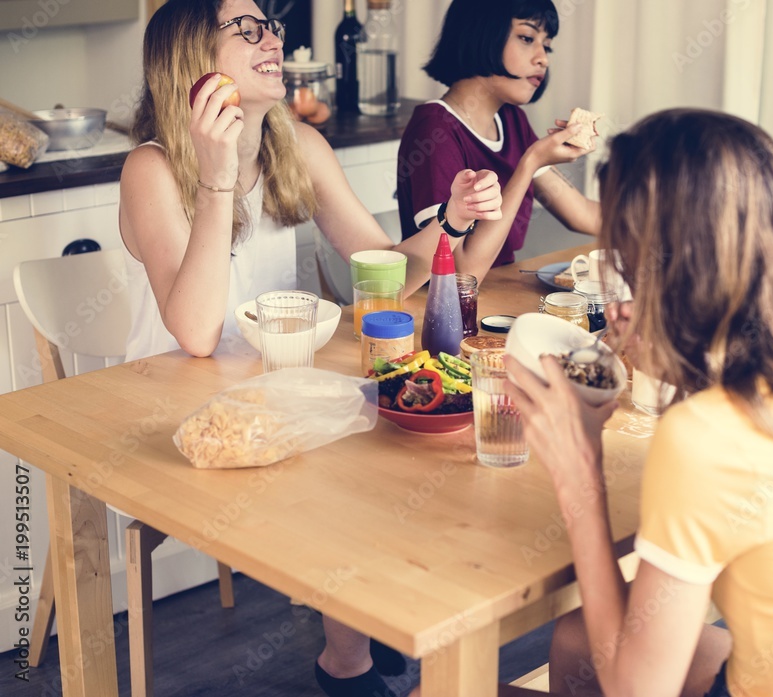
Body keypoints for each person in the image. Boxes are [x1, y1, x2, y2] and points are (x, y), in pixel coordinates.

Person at [496, 109, 773, 696]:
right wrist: (675, 350)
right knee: (579, 638)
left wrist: (579, 471)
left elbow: (638, 688)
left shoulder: (706, 437)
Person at [118, 1, 501, 695]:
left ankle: (371, 615)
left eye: (273, 24)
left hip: (269, 386)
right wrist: (216, 173)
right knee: (351, 454)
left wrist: (449, 218)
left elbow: (385, 266)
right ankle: (347, 655)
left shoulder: (298, 146)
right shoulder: (150, 169)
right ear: (190, 58)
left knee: (406, 422)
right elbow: (197, 333)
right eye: (248, 28)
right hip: (177, 414)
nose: (274, 36)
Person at [396, 0, 602, 282]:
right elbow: (462, 275)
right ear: (481, 33)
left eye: (547, 45)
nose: (544, 58)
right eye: (527, 38)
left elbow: (584, 215)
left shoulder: (511, 120)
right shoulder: (434, 130)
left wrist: (668, 219)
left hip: (496, 296)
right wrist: (530, 162)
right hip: (439, 314)